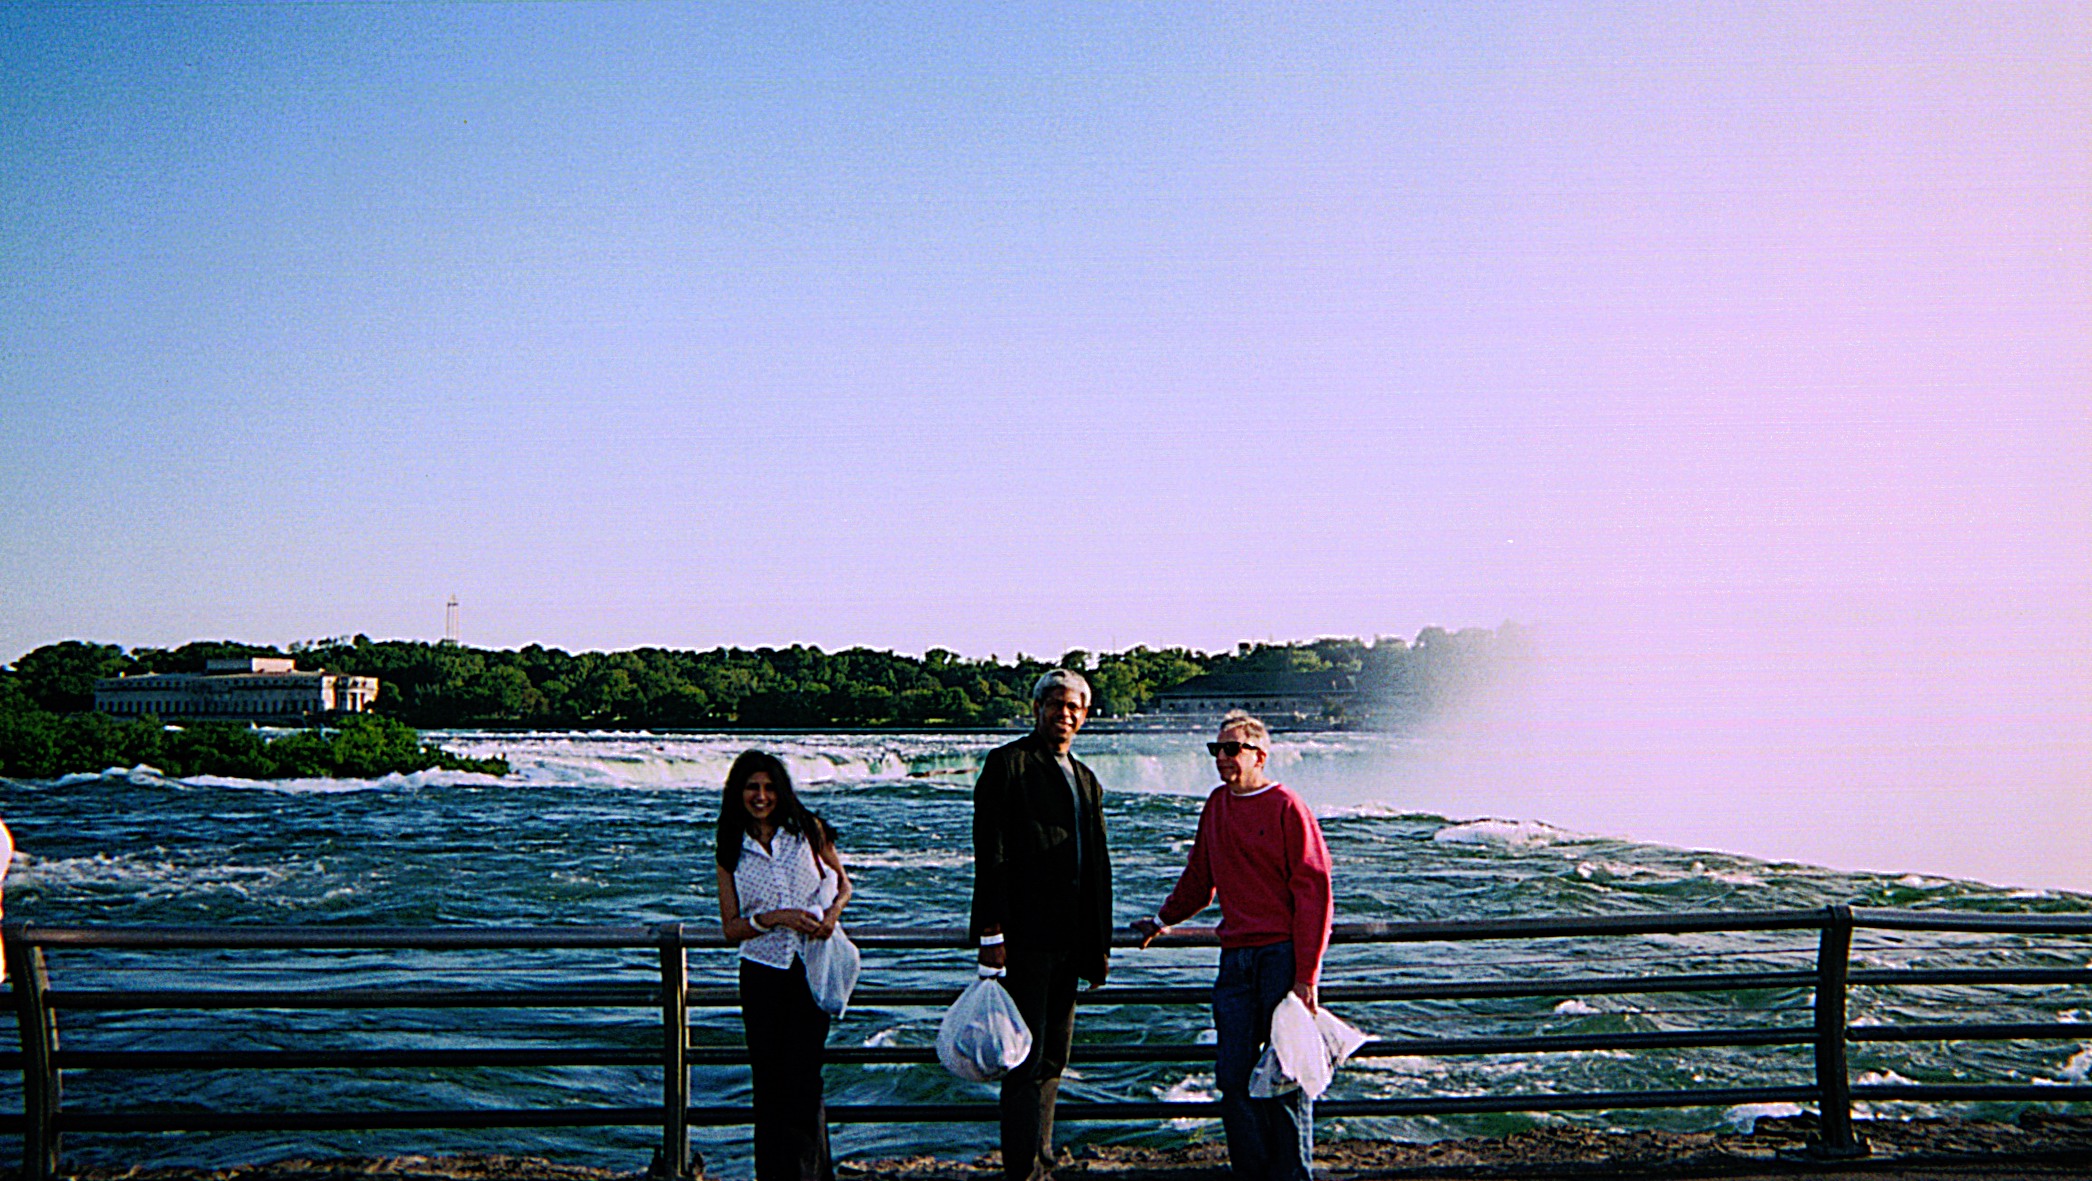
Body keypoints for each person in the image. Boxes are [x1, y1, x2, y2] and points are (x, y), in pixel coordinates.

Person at [1133, 711, 1333, 1181]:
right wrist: (1161, 920)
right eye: (1215, 749)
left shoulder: (1287, 806)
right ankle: (1251, 1171)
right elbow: (1199, 878)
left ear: (1259, 756)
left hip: (1281, 956)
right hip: (1235, 958)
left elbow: (1314, 893)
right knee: (1233, 1076)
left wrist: (1307, 977)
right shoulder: (1217, 805)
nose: (1221, 757)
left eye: (1231, 749)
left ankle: (1292, 1175)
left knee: (1284, 1075)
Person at [971, 669, 1113, 1181]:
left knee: (1054, 1059)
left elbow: (1096, 866)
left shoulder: (1086, 777)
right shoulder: (1008, 764)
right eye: (1056, 703)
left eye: (1075, 706)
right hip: (1024, 941)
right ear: (1037, 709)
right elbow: (990, 853)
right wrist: (991, 935)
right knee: (1024, 1063)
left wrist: (1098, 946)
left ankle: (1043, 1159)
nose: (1065, 713)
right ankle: (1022, 1171)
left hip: (1071, 943)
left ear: (1085, 715)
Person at [716, 750, 851, 1181]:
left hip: (810, 967)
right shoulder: (730, 845)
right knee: (768, 1083)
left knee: (804, 1078)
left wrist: (831, 917)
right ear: (738, 792)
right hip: (761, 971)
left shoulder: (808, 831)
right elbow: (731, 927)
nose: (761, 796)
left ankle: (811, 1174)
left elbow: (843, 884)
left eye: (769, 787)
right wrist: (774, 918)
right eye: (752, 788)